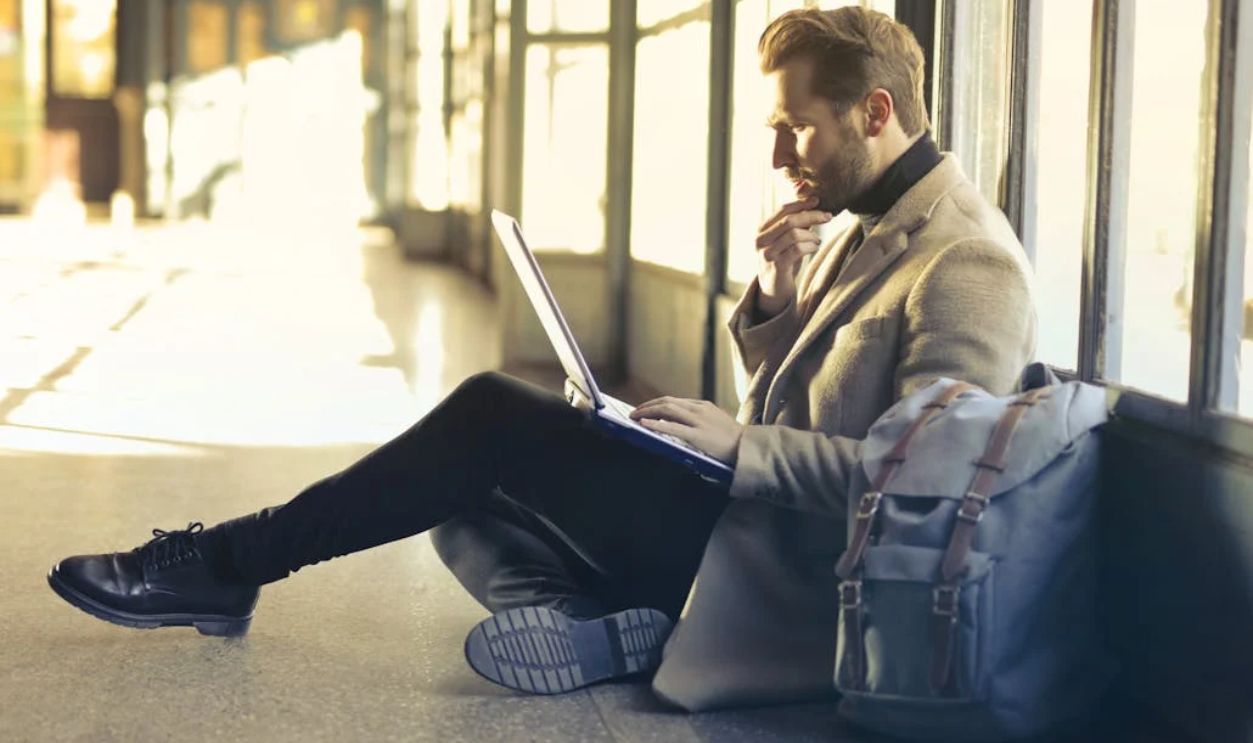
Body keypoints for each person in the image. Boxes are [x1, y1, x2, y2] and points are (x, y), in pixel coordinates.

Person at [47, 7, 1035, 701]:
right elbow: (807, 409)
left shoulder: (966, 262)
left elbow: (927, 495)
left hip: (792, 578)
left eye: (797, 129)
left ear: (873, 111)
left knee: (487, 416)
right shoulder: (864, 220)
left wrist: (738, 449)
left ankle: (227, 561)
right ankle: (597, 623)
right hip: (740, 519)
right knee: (456, 494)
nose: (781, 158)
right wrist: (775, 305)